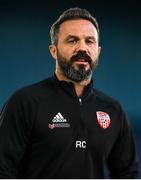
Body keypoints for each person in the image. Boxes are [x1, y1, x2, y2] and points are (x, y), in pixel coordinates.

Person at [0, 7, 139, 179]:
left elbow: (127, 174)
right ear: (53, 51)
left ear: (98, 51)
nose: (82, 48)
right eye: (72, 41)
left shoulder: (113, 110)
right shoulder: (24, 102)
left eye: (89, 41)